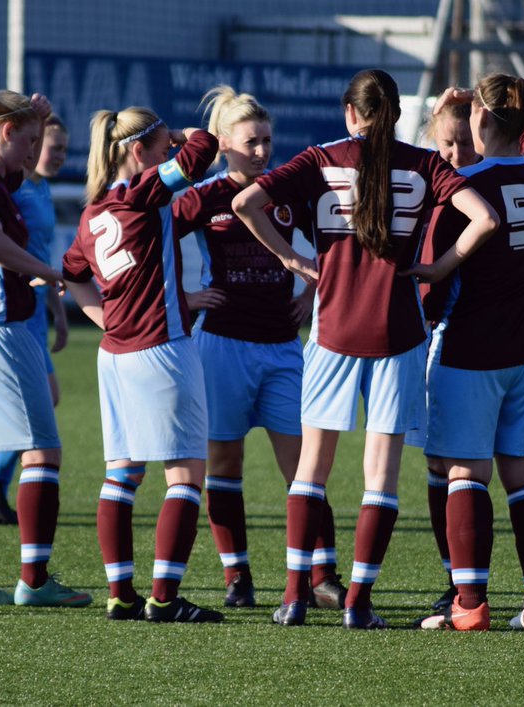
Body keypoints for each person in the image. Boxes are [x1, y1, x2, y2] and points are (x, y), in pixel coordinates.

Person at [233, 68, 498, 629]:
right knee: (381, 477)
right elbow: (486, 218)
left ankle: (294, 598)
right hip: (398, 334)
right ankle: (357, 603)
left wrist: (292, 260)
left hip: (332, 331)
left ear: (349, 113)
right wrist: (439, 266)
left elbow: (245, 204)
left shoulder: (319, 159)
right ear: (396, 114)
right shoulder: (425, 163)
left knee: (311, 471)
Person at [172, 85, 348, 610]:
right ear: (224, 143)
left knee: (305, 466)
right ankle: (237, 577)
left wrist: (313, 290)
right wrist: (185, 296)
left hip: (282, 348)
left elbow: (333, 243)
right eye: (251, 142)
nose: (262, 151)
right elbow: (142, 240)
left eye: (267, 140)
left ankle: (322, 576)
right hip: (222, 345)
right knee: (224, 463)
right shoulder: (204, 196)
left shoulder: (286, 189)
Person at [409, 75, 524, 633]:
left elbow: (430, 276)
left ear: (479, 117)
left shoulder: (463, 186)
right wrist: (520, 105)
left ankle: (469, 605)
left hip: (469, 348)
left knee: (464, 472)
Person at [62, 106, 225, 623]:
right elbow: (204, 149)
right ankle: (164, 598)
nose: (170, 154)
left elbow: (72, 272)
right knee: (184, 476)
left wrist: (103, 317)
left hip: (114, 355)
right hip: (160, 349)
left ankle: (120, 593)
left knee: (122, 476)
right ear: (138, 153)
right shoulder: (143, 190)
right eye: (160, 150)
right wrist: (183, 135)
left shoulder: (92, 213)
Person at [0, 82, 90, 608]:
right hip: (3, 328)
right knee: (44, 450)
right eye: (29, 141)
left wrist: (34, 115)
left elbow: (5, 176)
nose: (35, 153)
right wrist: (52, 273)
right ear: (4, 134)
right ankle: (35, 578)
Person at [0, 115, 72, 525]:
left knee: (41, 399)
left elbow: (44, 252)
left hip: (35, 303)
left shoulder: (41, 187)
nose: (54, 156)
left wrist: (58, 313)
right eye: (47, 146)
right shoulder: (10, 188)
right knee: (37, 406)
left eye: (61, 149)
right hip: (9, 307)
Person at [410, 98, 479, 613]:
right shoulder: (428, 182)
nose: (454, 152)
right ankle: (455, 578)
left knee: (480, 465)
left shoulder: (484, 190)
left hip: (469, 341)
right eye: (445, 144)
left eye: (464, 141)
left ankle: (469, 587)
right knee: (441, 460)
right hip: (437, 335)